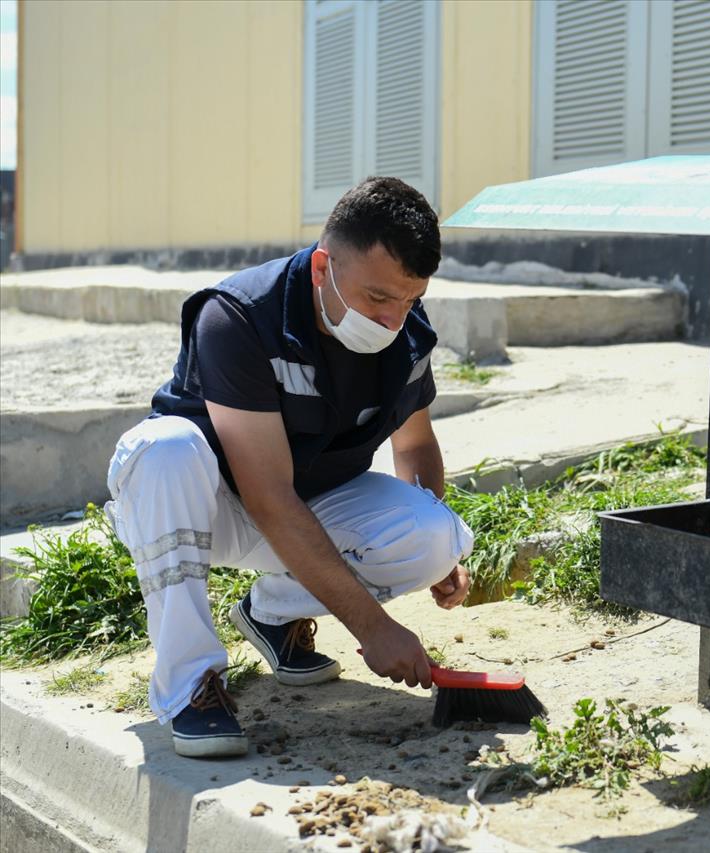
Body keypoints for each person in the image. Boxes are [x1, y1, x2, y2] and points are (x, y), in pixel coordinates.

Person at [105, 177, 473, 759]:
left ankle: (273, 613)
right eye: (378, 298)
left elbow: (416, 444)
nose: (392, 320)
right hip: (208, 506)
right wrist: (372, 627)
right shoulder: (239, 317)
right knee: (164, 450)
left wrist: (439, 562)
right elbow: (267, 496)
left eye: (410, 299)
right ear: (324, 267)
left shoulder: (406, 333)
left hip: (306, 509)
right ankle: (190, 684)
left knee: (435, 536)